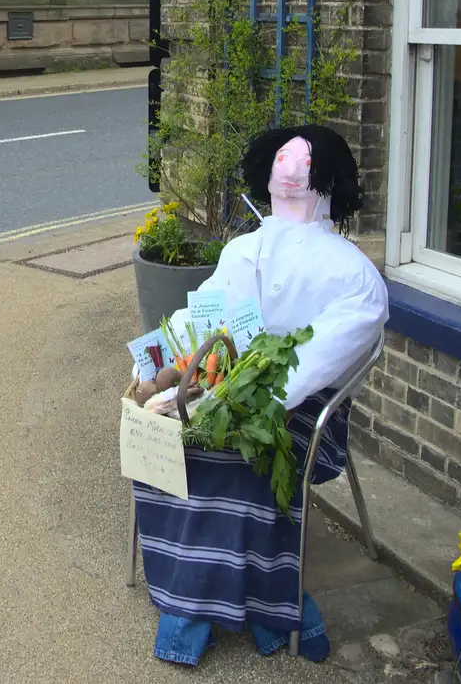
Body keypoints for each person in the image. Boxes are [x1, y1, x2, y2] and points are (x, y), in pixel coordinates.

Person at [133, 124, 389, 666]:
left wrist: (236, 399)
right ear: (264, 171)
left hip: (305, 411)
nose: (292, 171)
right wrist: (154, 364)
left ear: (329, 182)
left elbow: (309, 366)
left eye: (306, 163)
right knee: (161, 434)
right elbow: (199, 316)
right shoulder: (241, 251)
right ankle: (241, 595)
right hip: (216, 387)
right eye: (283, 159)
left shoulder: (354, 275)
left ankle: (206, 607)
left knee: (239, 461)